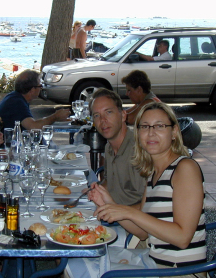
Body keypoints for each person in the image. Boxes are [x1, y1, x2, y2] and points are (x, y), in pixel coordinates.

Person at [78, 102, 206, 277]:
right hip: (154, 264)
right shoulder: (154, 172)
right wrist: (110, 204)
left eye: (159, 126)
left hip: (180, 272)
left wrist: (129, 212)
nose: (151, 133)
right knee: (81, 262)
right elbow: (144, 233)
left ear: (174, 132)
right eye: (144, 127)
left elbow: (182, 238)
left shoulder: (185, 169)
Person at [89, 88, 146, 206]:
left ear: (123, 115)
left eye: (108, 112)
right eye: (96, 115)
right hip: (113, 211)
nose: (103, 120)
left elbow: (148, 206)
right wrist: (95, 190)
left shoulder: (138, 151)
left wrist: (116, 212)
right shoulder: (109, 148)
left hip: (129, 220)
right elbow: (110, 182)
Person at [0, 69, 71, 138]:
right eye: (40, 86)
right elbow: (33, 127)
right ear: (32, 90)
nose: (41, 88)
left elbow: (31, 124)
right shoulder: (17, 102)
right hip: (1, 147)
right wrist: (55, 116)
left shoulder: (15, 97)